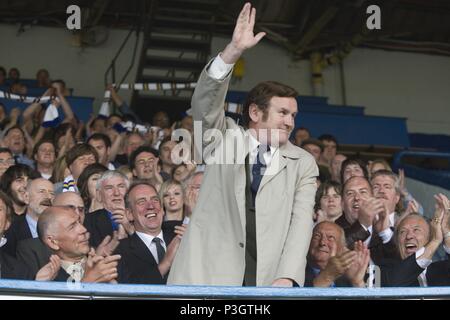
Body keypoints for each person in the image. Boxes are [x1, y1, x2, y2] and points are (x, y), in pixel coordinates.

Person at [168, 3, 318, 287]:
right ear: (254, 113)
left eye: (293, 115)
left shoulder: (303, 162)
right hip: (206, 276)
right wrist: (233, 52)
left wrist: (286, 277)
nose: (289, 122)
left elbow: (300, 225)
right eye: (282, 113)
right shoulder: (221, 139)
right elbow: (205, 104)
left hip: (266, 280)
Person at [116, 182, 185, 284]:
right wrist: (165, 263)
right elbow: (129, 291)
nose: (151, 206)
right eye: (141, 202)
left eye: (155, 200)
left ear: (162, 210)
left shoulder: (181, 236)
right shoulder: (120, 251)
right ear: (130, 214)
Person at [379, 194, 450, 286]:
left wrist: (447, 233)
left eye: (416, 230)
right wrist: (435, 240)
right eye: (403, 232)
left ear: (428, 239)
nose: (409, 236)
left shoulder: (443, 270)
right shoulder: (385, 270)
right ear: (397, 242)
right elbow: (394, 284)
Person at [37, 206, 121, 283]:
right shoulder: (45, 280)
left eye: (80, 222)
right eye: (72, 227)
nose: (83, 229)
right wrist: (87, 284)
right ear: (53, 242)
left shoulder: (109, 263)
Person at [304, 221, 369, 287]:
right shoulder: (297, 272)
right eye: (317, 236)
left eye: (330, 238)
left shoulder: (345, 279)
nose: (322, 242)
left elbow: (363, 297)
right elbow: (300, 296)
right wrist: (327, 276)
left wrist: (357, 282)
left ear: (341, 248)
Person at [4, 178, 54, 256]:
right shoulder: (10, 230)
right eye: (41, 191)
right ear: (26, 197)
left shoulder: (61, 228)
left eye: (52, 193)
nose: (48, 197)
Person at [84, 171, 133, 248]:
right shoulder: (88, 221)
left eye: (121, 186)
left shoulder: (140, 216)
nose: (116, 193)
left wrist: (128, 227)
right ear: (99, 195)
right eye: (109, 188)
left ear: (128, 192)